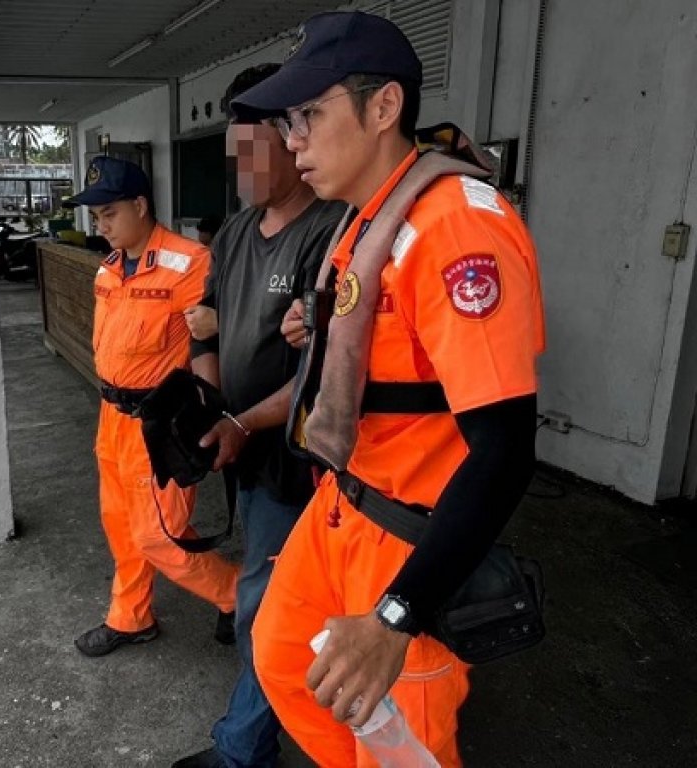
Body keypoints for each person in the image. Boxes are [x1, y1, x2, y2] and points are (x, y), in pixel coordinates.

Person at [230, 11, 545, 767]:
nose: (292, 137)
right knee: (282, 659)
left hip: (406, 536)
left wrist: (399, 615)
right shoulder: (366, 219)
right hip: (342, 504)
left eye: (310, 114)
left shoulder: (458, 230)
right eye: (288, 119)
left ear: (382, 108)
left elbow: (505, 453)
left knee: (398, 741)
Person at [174, 64, 346, 768]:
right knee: (277, 599)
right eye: (232, 151)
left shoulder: (331, 231)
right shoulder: (239, 231)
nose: (240, 167)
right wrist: (213, 408)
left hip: (297, 463)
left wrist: (245, 425)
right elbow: (205, 330)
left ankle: (244, 750)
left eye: (254, 147)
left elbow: (324, 372)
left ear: (293, 139)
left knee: (269, 609)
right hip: (242, 450)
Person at [63, 156, 239, 658]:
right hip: (111, 418)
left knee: (158, 536)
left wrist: (217, 414)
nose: (101, 225)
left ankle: (240, 595)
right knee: (121, 525)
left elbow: (222, 337)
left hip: (158, 424)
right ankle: (131, 616)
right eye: (96, 216)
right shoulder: (108, 270)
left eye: (110, 213)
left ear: (141, 205)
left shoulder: (191, 264)